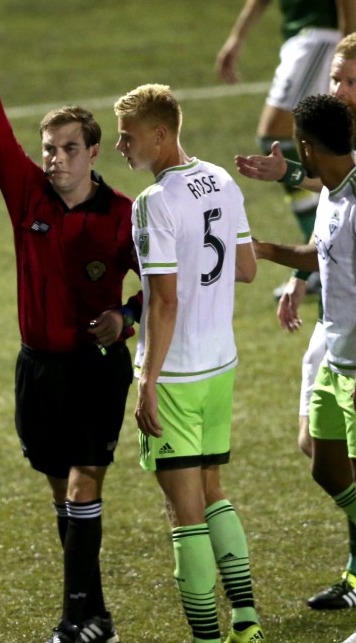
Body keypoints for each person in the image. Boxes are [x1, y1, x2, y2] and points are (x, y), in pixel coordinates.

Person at [0, 0, 140, 643]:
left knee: (86, 486)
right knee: (62, 493)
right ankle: (98, 616)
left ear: (93, 152)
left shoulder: (123, 217)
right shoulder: (27, 195)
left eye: (67, 147)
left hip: (96, 369)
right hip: (37, 371)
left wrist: (125, 316)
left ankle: (72, 620)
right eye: (48, 148)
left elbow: (160, 289)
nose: (54, 157)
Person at [113, 84, 261, 643]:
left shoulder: (153, 202)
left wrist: (147, 381)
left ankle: (206, 638)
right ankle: (246, 621)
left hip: (176, 374)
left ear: (160, 135)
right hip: (220, 364)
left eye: (127, 137)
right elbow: (246, 267)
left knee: (184, 513)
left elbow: (165, 301)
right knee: (212, 490)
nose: (121, 147)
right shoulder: (221, 179)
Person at [234, 32, 356, 610]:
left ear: (306, 145)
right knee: (322, 459)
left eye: (352, 81)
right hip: (335, 347)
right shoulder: (334, 187)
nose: (342, 90)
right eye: (337, 79)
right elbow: (324, 246)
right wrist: (275, 257)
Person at [216, 0, 355, 264]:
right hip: (299, 39)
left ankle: (319, 254)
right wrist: (237, 37)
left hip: (321, 38)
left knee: (281, 136)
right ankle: (317, 256)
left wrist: (349, 45)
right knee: (298, 142)